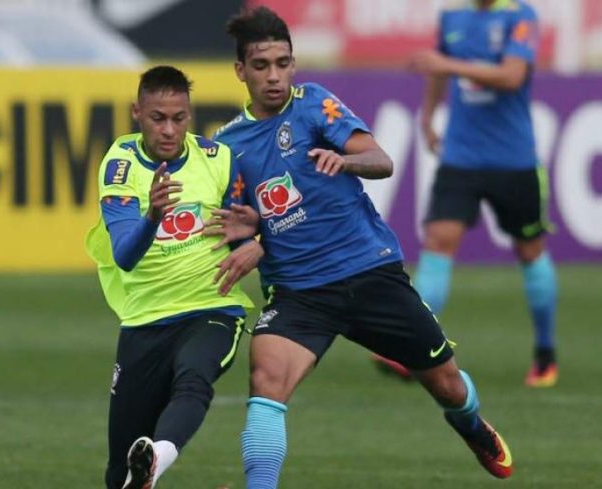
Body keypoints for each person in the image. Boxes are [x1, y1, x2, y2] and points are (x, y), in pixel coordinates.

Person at [207, 7, 513, 488]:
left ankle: (471, 426)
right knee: (266, 381)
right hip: (299, 293)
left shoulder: (315, 104)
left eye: (283, 63)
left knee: (448, 386)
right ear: (240, 71)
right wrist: (252, 240)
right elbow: (241, 226)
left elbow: (381, 160)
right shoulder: (227, 147)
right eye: (261, 66)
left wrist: (345, 162)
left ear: (293, 63)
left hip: (370, 272)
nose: (274, 76)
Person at [85, 65, 262, 489]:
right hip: (144, 319)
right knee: (117, 474)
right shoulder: (121, 165)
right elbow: (125, 256)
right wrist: (152, 216)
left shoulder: (218, 159)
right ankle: (143, 472)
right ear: (137, 113)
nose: (169, 130)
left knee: (194, 378)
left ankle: (157, 460)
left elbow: (246, 230)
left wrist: (259, 241)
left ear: (190, 114)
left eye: (179, 118)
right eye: (158, 118)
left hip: (212, 307)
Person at [378, 0, 557, 388]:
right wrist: (428, 116)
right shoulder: (452, 16)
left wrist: (449, 65)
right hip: (460, 157)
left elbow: (512, 76)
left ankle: (545, 353)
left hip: (514, 160)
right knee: (438, 242)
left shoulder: (520, 16)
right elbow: (438, 72)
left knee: (530, 250)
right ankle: (415, 351)